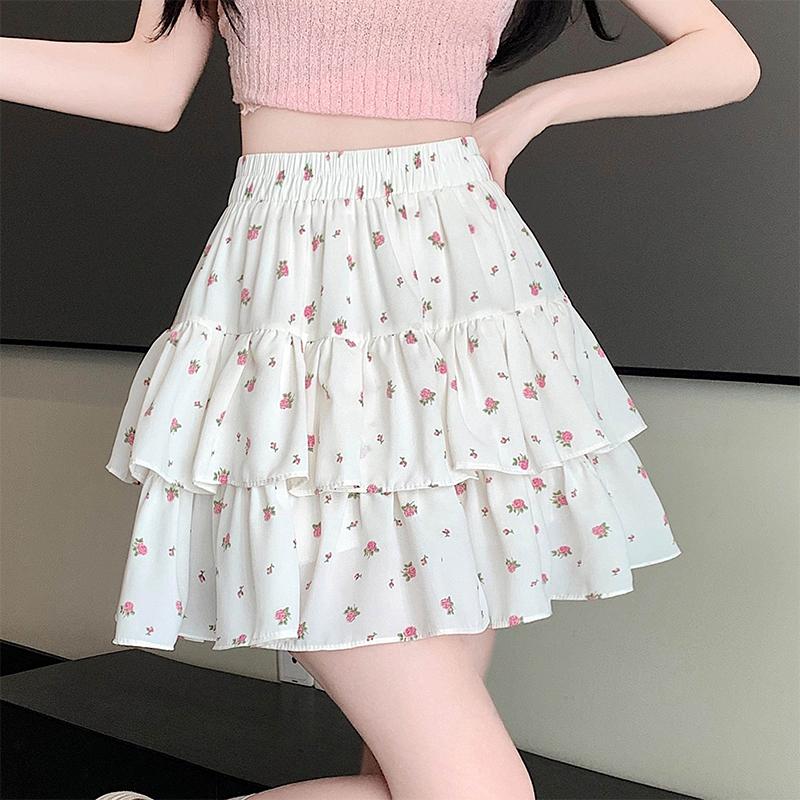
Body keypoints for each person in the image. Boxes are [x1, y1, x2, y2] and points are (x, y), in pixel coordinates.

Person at [1, 1, 759, 798]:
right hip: (302, 303)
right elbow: (150, 83)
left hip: (459, 306)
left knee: (411, 773)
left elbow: (723, 57)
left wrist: (537, 105)